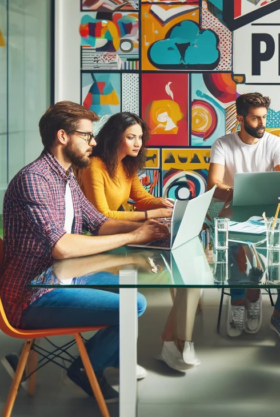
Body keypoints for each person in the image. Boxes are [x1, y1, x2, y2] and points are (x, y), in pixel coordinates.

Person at [0, 101, 170, 402]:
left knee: (132, 292)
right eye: (86, 135)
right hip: (33, 294)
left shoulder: (65, 176)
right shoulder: (35, 180)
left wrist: (150, 230)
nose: (94, 142)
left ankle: (101, 358)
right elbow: (63, 247)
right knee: (133, 305)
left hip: (62, 277)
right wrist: (133, 234)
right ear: (63, 136)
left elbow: (98, 222)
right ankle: (85, 368)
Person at [77, 113, 201, 373]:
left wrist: (165, 203)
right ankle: (144, 350)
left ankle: (176, 341)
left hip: (122, 235)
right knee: (175, 275)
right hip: (99, 243)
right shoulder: (93, 166)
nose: (138, 143)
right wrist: (150, 215)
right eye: (131, 137)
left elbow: (141, 197)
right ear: (114, 138)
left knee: (191, 273)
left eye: (140, 138)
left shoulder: (126, 164)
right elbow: (102, 216)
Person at [207, 93, 280, 343]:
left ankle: (264, 303)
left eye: (264, 118)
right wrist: (238, 190)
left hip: (269, 217)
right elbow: (213, 185)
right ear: (240, 118)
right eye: (256, 118)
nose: (262, 123)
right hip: (233, 213)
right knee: (236, 241)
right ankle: (239, 301)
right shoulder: (223, 144)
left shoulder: (274, 143)